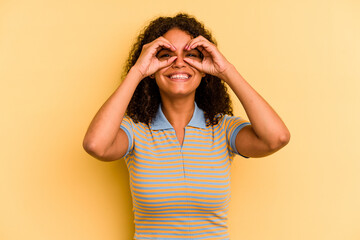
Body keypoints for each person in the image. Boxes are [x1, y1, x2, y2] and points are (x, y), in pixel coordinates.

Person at [83, 13, 290, 240]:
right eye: (166, 56)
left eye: (190, 55)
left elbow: (277, 137)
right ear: (152, 68)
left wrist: (226, 70)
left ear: (204, 68)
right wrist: (138, 71)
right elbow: (96, 145)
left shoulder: (223, 128)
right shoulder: (135, 131)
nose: (179, 62)